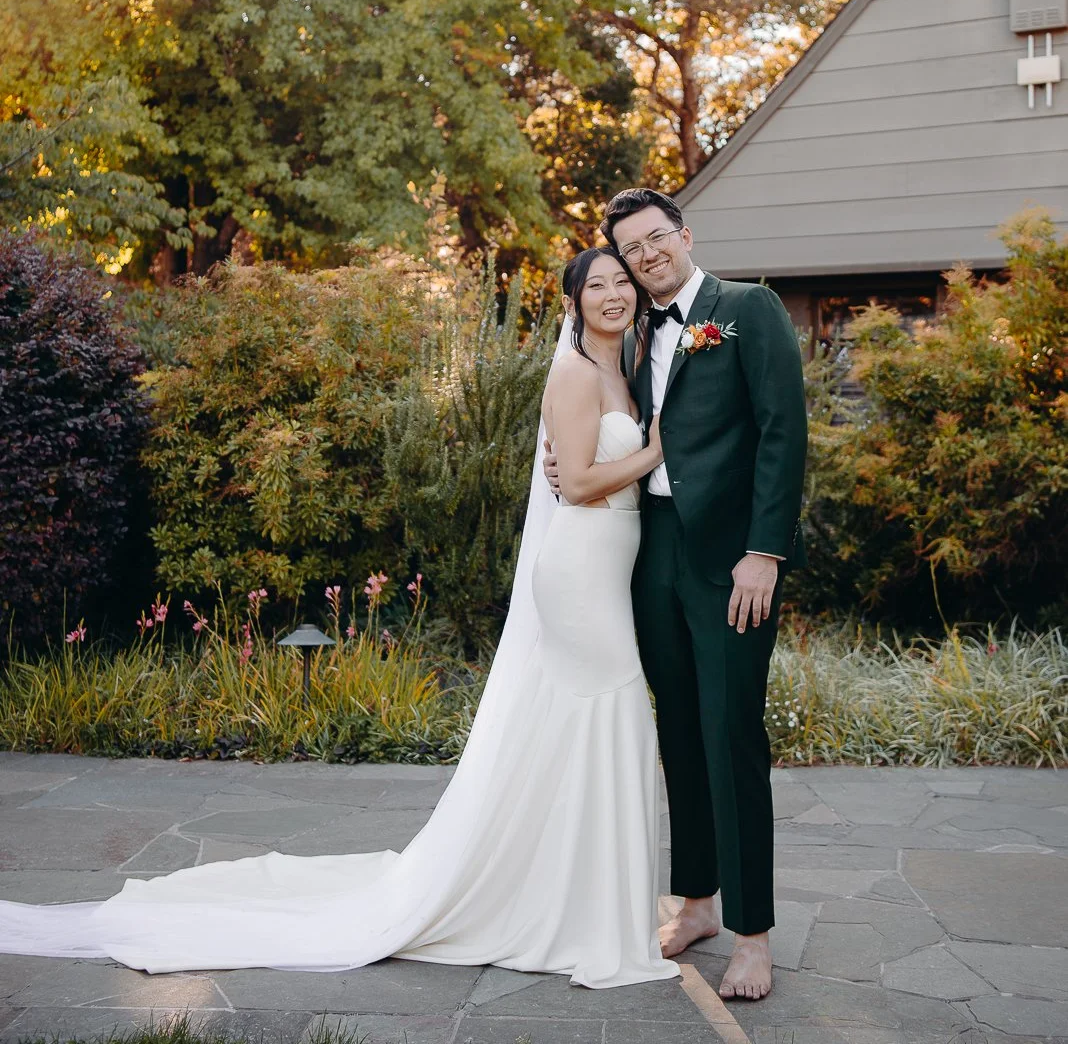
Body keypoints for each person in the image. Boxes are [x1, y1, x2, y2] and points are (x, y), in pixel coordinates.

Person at [0, 248, 679, 992]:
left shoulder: (630, 363)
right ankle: (581, 915)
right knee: (608, 715)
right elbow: (578, 482)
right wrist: (651, 453)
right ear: (574, 303)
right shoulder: (576, 372)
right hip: (580, 573)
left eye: (622, 283)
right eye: (597, 286)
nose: (614, 294)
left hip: (612, 571)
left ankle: (573, 899)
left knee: (591, 727)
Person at [546, 188, 807, 1002]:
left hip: (730, 562)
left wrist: (763, 552)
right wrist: (562, 469)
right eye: (631, 249)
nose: (648, 255)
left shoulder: (746, 310)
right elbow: (600, 419)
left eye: (658, 238)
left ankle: (754, 936)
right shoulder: (631, 333)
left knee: (731, 736)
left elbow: (782, 432)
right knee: (681, 735)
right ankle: (696, 900)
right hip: (648, 553)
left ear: (684, 235)